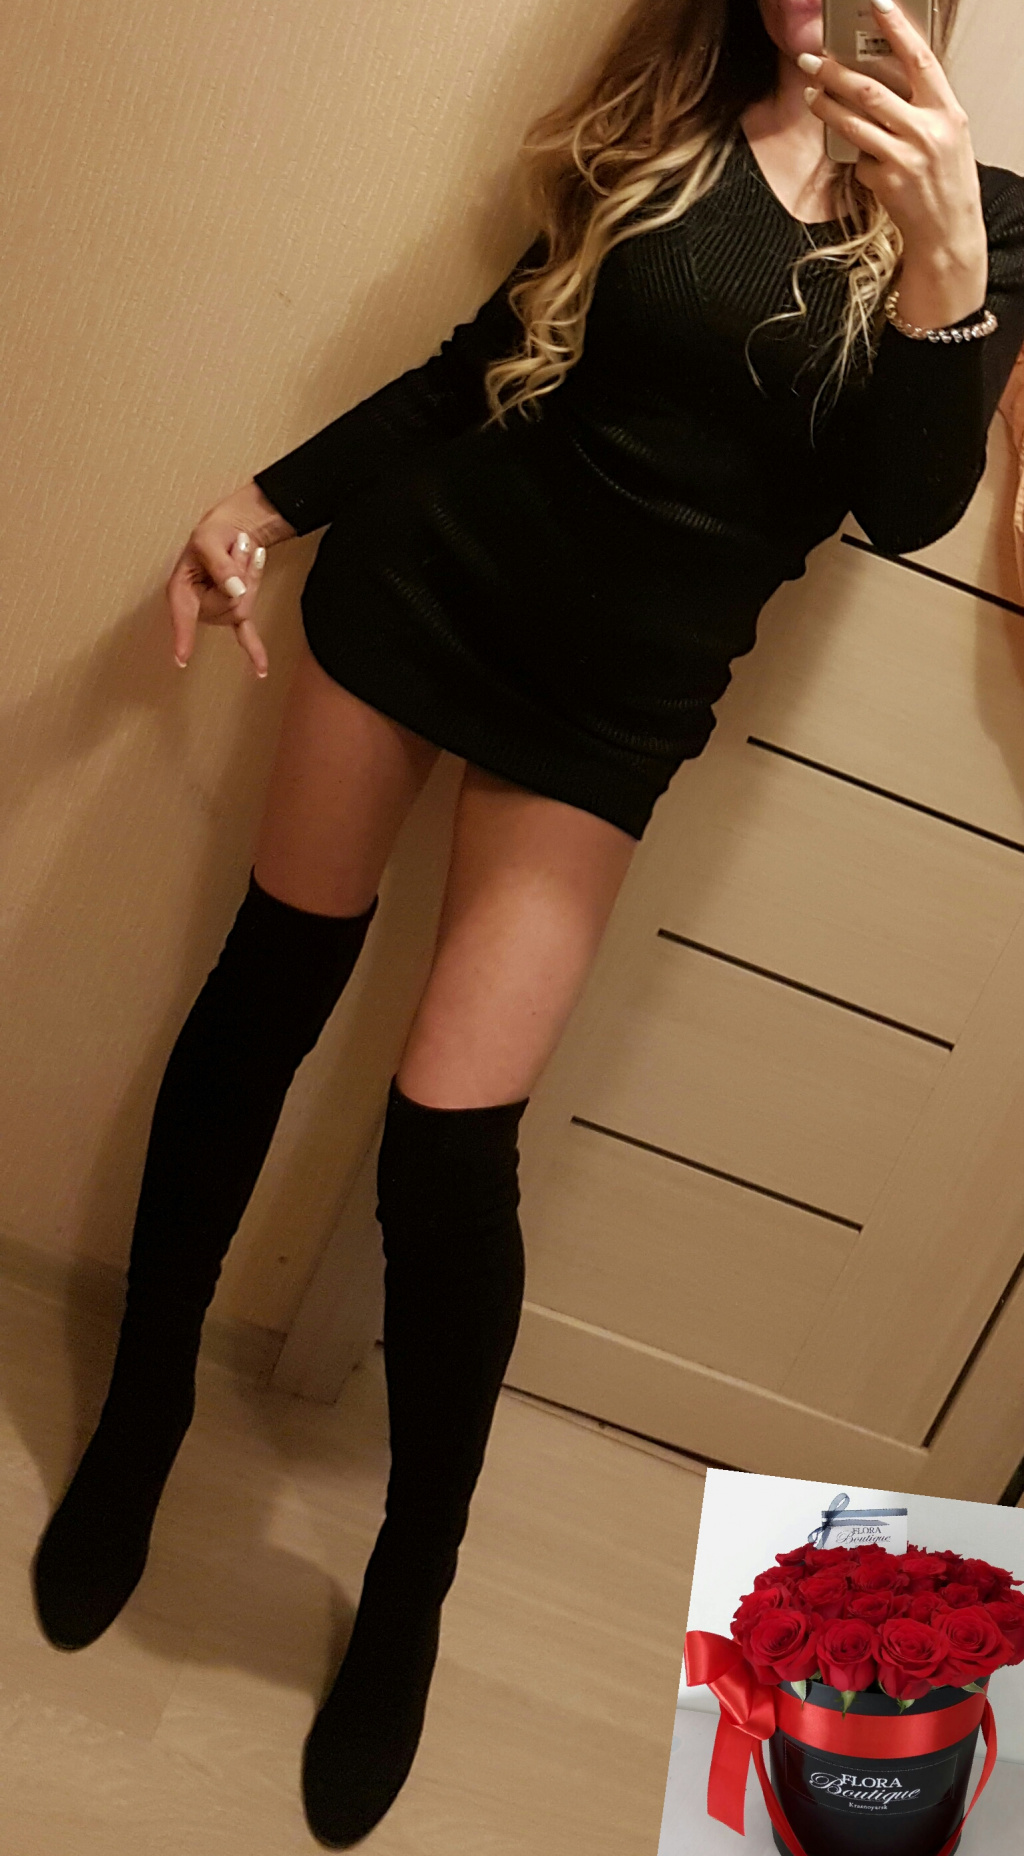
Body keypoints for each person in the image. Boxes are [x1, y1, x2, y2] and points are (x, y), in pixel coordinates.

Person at [31, 0, 1024, 1847]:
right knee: (264, 999)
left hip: (607, 715)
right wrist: (265, 501)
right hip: (424, 587)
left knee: (446, 1146)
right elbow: (481, 364)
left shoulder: (989, 218)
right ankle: (146, 1409)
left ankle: (411, 1581)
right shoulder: (673, 108)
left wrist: (950, 267)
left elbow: (908, 508)